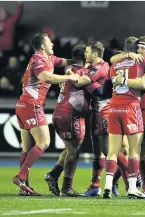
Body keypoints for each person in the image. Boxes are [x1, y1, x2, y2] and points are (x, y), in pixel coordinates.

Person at [12, 33, 80, 195]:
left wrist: (79, 62)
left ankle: (24, 188)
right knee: (43, 142)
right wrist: (69, 77)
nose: (52, 44)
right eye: (49, 42)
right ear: (42, 46)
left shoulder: (50, 59)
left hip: (23, 104)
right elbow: (45, 77)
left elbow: (64, 61)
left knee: (27, 148)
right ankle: (21, 177)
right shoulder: (38, 60)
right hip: (31, 105)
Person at [103, 36, 145, 199]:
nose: (139, 51)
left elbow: (144, 84)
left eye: (143, 48)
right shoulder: (140, 62)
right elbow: (113, 59)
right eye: (137, 48)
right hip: (137, 109)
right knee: (141, 150)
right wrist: (127, 56)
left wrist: (122, 79)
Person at [45, 44, 89, 197]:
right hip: (70, 114)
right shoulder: (83, 71)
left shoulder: (69, 69)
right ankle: (66, 188)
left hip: (61, 111)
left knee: (70, 148)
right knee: (73, 151)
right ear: (85, 57)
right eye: (88, 53)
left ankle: (53, 175)